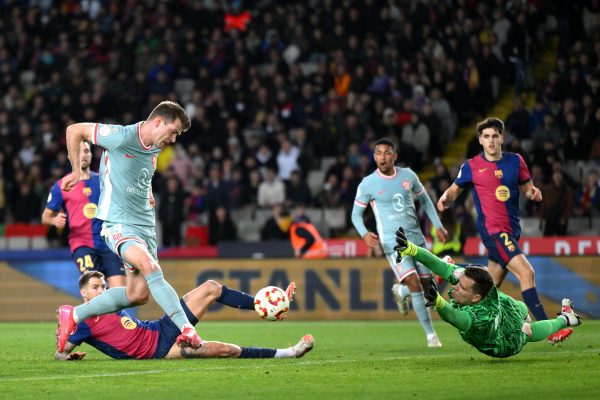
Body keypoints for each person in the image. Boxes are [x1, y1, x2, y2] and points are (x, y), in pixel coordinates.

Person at [56, 101, 203, 352]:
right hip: (118, 223)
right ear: (158, 122)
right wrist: (74, 172)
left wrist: (148, 192)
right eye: (173, 132)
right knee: (149, 266)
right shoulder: (121, 136)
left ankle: (75, 314)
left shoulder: (155, 146)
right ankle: (187, 329)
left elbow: (140, 174)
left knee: (138, 295)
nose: (174, 139)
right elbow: (74, 130)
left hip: (145, 225)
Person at [437, 117, 572, 343]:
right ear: (480, 140)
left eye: (495, 136)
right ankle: (550, 330)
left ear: (502, 137)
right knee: (527, 273)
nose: (491, 140)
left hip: (511, 231)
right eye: (486, 136)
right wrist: (445, 199)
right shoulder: (471, 166)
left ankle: (457, 273)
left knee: (489, 286)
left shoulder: (515, 161)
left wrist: (533, 193)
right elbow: (453, 190)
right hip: (493, 231)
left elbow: (528, 189)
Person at [394, 227, 581, 358]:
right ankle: (565, 318)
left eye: (462, 288)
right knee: (522, 313)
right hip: (495, 319)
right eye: (459, 283)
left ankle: (565, 319)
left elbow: (453, 317)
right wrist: (411, 249)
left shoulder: (479, 317)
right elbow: (436, 263)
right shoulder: (469, 284)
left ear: (476, 297)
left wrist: (439, 303)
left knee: (526, 328)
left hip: (502, 344)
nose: (456, 287)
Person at [55, 271, 312, 361]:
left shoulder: (110, 304)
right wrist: (67, 354)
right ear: (83, 294)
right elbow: (61, 350)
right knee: (225, 350)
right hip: (162, 350)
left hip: (162, 327)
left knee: (211, 287)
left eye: (104, 286)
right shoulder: (82, 322)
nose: (102, 290)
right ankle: (289, 352)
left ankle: (262, 305)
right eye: (95, 288)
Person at [351, 138, 448, 348]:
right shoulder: (368, 183)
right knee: (413, 282)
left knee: (426, 287)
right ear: (374, 156)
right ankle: (431, 336)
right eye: (378, 153)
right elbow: (356, 215)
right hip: (393, 243)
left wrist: (437, 225)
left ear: (394, 156)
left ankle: (402, 292)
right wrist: (364, 233)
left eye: (387, 153)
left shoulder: (408, 176)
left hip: (417, 239)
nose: (383, 157)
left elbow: (424, 199)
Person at [42, 141, 126, 289]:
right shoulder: (62, 185)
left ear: (91, 154)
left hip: (108, 243)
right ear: (70, 156)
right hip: (82, 244)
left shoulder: (103, 180)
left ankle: (117, 313)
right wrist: (55, 220)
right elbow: (45, 217)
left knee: (119, 292)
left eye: (86, 151)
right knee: (94, 290)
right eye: (78, 151)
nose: (83, 155)